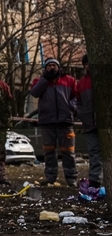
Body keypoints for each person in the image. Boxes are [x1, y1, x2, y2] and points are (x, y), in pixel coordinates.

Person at [29, 57, 78, 188]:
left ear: (58, 67)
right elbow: (34, 92)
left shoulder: (70, 80)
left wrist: (71, 107)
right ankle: (50, 177)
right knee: (49, 152)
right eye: (49, 65)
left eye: (54, 65)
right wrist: (45, 79)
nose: (52, 67)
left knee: (68, 152)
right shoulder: (39, 81)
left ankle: (71, 178)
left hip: (65, 121)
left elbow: (76, 96)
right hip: (47, 122)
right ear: (45, 68)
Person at [76, 55, 103, 195]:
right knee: (94, 153)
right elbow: (77, 101)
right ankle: (95, 180)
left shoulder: (105, 79)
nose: (89, 66)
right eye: (86, 63)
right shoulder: (82, 83)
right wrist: (82, 113)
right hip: (90, 123)